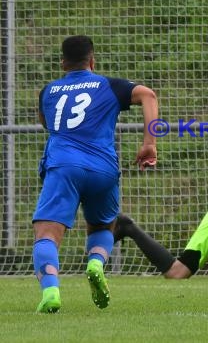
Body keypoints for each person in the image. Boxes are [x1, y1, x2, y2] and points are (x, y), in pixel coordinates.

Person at [32, 35, 158, 313]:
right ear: (92, 60)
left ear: (63, 62)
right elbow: (148, 95)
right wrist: (149, 143)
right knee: (102, 225)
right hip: (103, 168)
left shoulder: (48, 91)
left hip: (64, 166)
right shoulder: (108, 85)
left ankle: (51, 291)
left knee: (46, 234)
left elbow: (46, 123)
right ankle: (96, 263)